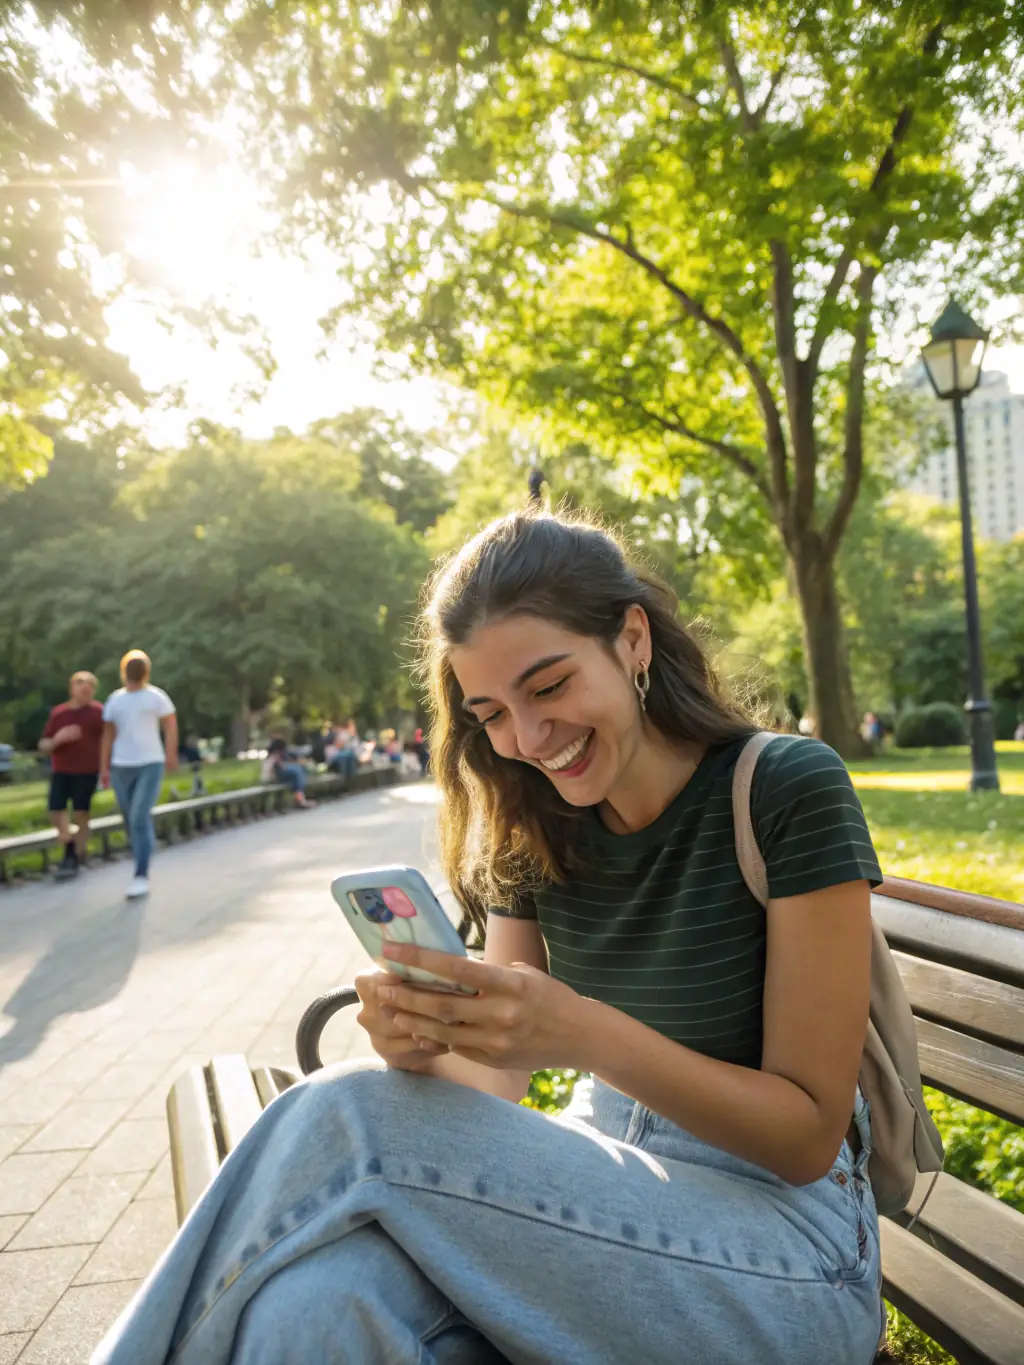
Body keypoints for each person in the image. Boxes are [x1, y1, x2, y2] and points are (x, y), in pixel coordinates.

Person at [93, 511, 885, 1365]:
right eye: (492, 713)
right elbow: (497, 1079)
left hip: (791, 1255)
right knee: (309, 1309)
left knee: (344, 1112)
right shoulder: (535, 820)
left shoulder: (784, 787)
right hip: (604, 1204)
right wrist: (425, 1044)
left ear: (631, 639)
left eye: (548, 687)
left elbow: (807, 1136)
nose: (528, 739)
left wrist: (582, 1031)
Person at [100, 651, 178, 900]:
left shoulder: (156, 697)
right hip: (121, 765)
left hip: (150, 763)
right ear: (124, 671)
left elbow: (170, 726)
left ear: (146, 671)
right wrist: (104, 767)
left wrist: (171, 754)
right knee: (129, 818)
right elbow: (108, 735)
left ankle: (141, 875)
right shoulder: (115, 700)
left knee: (138, 816)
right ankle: (144, 851)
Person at [38, 670, 104, 880]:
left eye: (90, 686)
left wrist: (107, 767)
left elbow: (110, 739)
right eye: (81, 684)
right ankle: (69, 845)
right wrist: (58, 738)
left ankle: (76, 854)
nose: (86, 688)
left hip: (87, 771)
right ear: (72, 688)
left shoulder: (99, 712)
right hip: (62, 770)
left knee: (81, 813)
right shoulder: (59, 714)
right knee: (55, 810)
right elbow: (43, 745)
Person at [261, 738, 316, 809]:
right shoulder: (273, 757)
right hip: (272, 780)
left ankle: (300, 799)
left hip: (277, 778)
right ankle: (301, 800)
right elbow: (280, 769)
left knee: (297, 773)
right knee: (298, 771)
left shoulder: (274, 756)